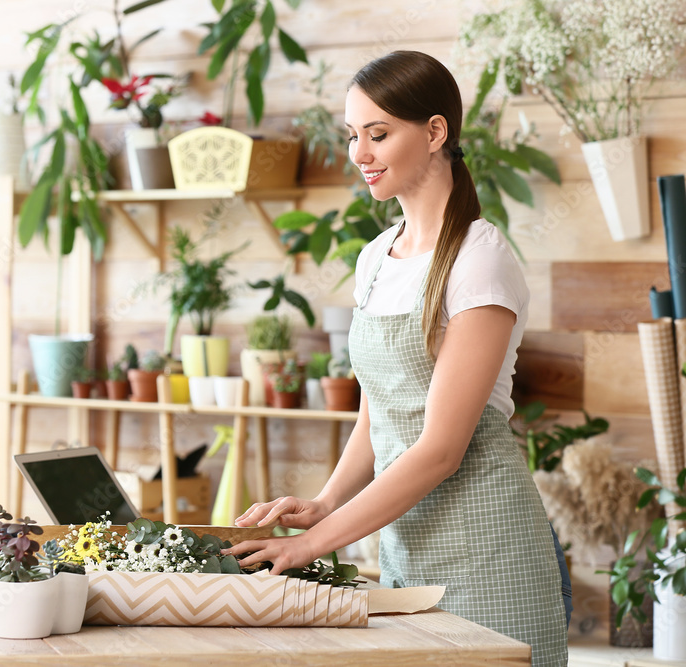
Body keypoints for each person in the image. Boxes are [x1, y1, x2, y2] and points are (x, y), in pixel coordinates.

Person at [221, 50, 569, 667]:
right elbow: (376, 412)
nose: (360, 154)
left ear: (436, 132)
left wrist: (316, 544)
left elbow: (439, 449)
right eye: (354, 135)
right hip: (406, 547)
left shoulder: (478, 259)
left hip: (489, 551)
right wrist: (326, 503)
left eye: (378, 134)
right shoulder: (377, 257)